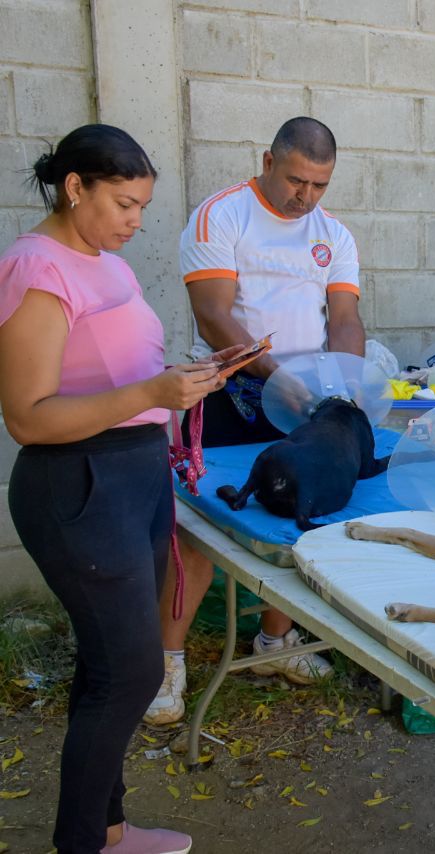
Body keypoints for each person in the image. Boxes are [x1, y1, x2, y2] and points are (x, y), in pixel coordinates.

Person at [0, 125, 232, 852]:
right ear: (76, 188)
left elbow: (121, 378)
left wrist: (181, 390)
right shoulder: (36, 268)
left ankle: (108, 830)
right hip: (79, 483)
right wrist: (151, 391)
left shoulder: (105, 261)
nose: (137, 221)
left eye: (143, 205)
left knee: (113, 667)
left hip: (133, 474)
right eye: (126, 204)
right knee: (131, 671)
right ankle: (82, 844)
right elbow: (28, 418)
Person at [145, 117, 366, 726]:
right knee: (200, 535)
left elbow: (343, 317)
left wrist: (348, 382)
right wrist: (279, 380)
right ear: (268, 159)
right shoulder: (222, 216)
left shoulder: (333, 234)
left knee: (299, 516)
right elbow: (215, 316)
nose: (307, 196)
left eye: (320, 185)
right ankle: (164, 667)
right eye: (297, 180)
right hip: (227, 394)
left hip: (305, 401)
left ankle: (274, 644)